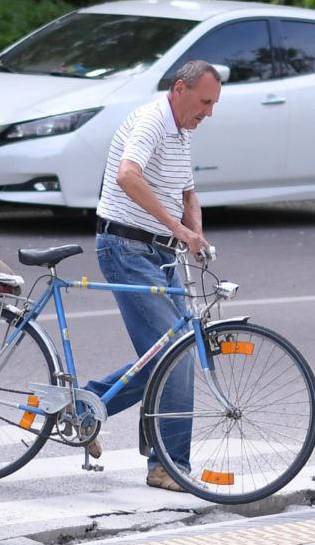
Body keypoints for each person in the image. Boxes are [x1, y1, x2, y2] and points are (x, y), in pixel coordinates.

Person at [82, 59, 221, 492]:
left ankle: (84, 406)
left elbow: (188, 193)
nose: (208, 113)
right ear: (180, 89)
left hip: (160, 253)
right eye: (204, 102)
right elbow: (127, 175)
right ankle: (167, 466)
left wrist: (194, 232)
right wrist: (176, 227)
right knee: (172, 355)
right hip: (127, 247)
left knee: (168, 355)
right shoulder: (152, 121)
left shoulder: (181, 133)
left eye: (214, 104)